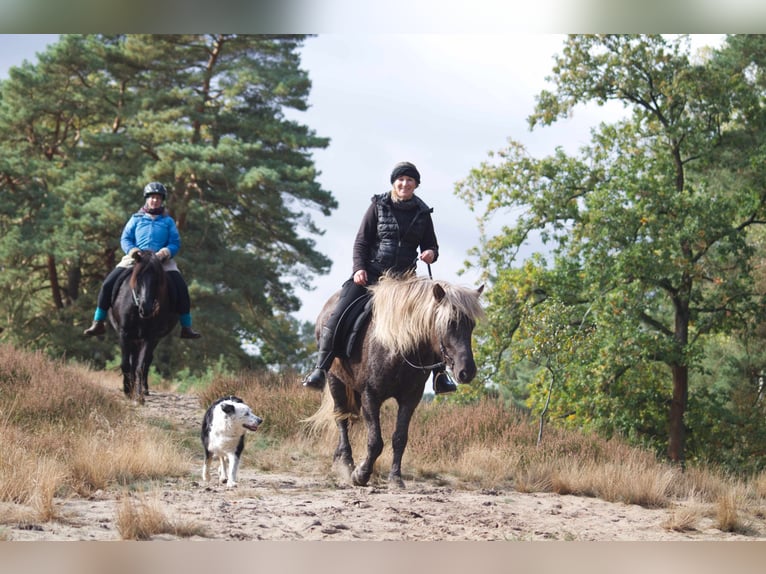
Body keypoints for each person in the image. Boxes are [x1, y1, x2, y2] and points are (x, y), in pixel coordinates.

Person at [302, 161, 457, 394]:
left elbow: (431, 244)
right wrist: (358, 269)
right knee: (338, 314)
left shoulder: (423, 213)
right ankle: (320, 369)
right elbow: (361, 241)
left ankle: (440, 377)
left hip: (405, 281)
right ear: (394, 183)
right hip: (372, 275)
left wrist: (431, 253)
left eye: (410, 180)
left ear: (416, 185)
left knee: (435, 318)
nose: (404, 184)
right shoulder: (377, 205)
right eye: (401, 179)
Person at [83, 181, 201, 339]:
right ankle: (98, 322)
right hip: (136, 259)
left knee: (181, 287)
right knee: (107, 284)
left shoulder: (168, 221)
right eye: (152, 197)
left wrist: (165, 252)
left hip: (162, 261)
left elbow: (175, 243)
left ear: (162, 200)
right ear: (147, 199)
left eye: (158, 198)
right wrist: (133, 251)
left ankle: (186, 327)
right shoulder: (136, 219)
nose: (155, 200)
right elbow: (125, 238)